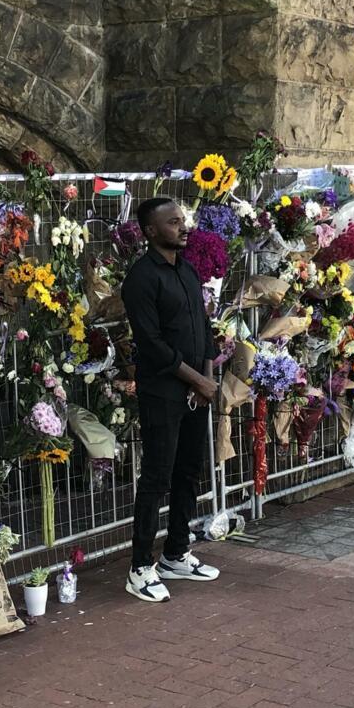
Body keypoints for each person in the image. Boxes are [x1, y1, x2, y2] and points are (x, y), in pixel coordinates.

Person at [121, 197, 221, 603]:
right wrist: (198, 380)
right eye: (174, 222)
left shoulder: (187, 269)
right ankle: (140, 566)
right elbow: (153, 345)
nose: (184, 227)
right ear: (150, 231)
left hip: (198, 391)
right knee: (158, 477)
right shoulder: (142, 278)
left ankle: (176, 553)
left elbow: (204, 325)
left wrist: (209, 380)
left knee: (188, 472)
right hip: (164, 392)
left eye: (184, 220)